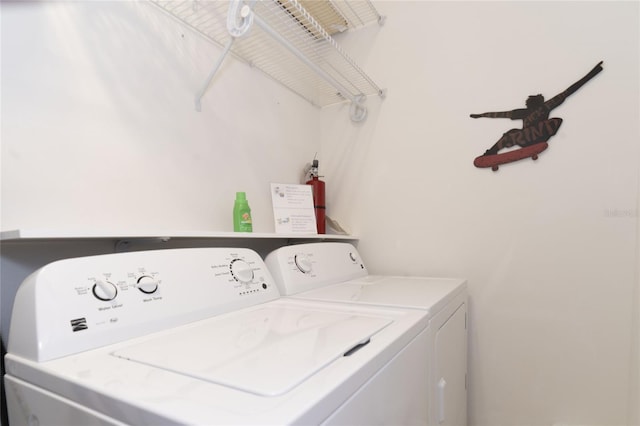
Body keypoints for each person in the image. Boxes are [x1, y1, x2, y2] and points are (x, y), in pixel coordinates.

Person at [470, 61, 603, 156]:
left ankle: (491, 152)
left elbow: (500, 114)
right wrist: (482, 115)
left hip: (533, 136)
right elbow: (568, 91)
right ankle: (491, 153)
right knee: (511, 133)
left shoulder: (539, 108)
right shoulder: (542, 107)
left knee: (554, 121)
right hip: (531, 138)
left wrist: (593, 73)